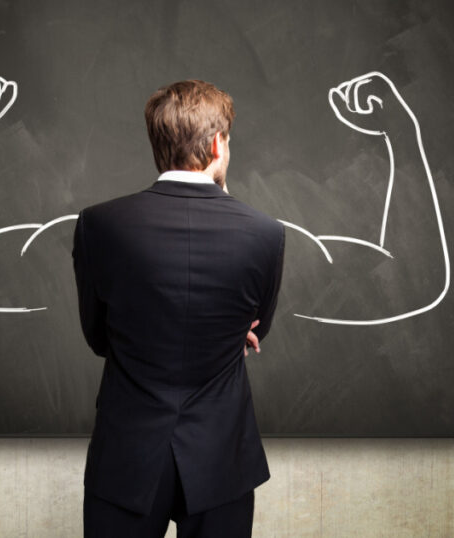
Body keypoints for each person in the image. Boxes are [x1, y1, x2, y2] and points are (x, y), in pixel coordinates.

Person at [72, 79, 285, 537]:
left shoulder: (99, 225)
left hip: (127, 455)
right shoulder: (265, 234)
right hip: (220, 456)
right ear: (216, 144)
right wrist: (228, 337)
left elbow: (97, 336)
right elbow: (255, 328)